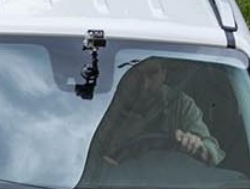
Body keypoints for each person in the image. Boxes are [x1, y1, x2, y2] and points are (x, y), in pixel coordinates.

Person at [86, 57, 224, 169]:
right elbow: (82, 150)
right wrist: (101, 164)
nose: (144, 84)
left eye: (152, 74)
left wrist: (197, 146)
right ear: (125, 75)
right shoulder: (107, 103)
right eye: (136, 74)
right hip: (108, 188)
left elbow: (214, 153)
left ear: (164, 73)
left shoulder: (180, 105)